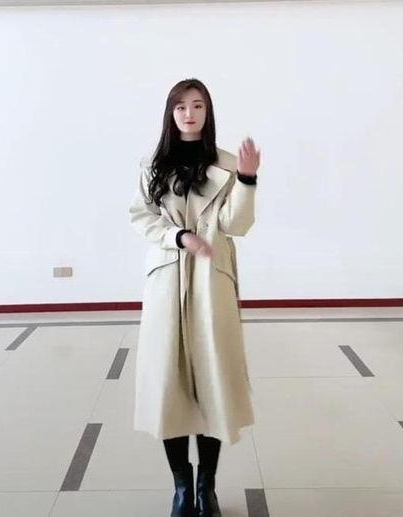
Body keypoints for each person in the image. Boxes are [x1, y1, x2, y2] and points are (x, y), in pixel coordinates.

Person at [128, 78, 260, 517]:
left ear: (208, 112)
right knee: (168, 384)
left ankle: (207, 488)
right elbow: (141, 217)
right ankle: (181, 487)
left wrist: (247, 179)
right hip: (167, 278)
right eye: (181, 106)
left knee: (212, 383)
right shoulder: (153, 166)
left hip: (210, 281)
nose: (189, 113)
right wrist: (178, 236)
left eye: (198, 105)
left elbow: (236, 225)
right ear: (171, 113)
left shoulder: (227, 165)